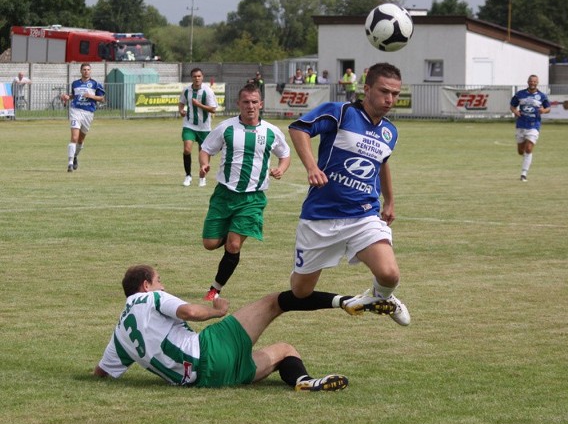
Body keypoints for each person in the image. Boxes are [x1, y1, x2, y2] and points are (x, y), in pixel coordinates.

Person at [93, 264, 360, 391]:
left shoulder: (120, 334)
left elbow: (101, 372)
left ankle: (305, 382)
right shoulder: (150, 297)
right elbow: (188, 311)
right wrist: (216, 312)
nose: (163, 286)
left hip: (204, 380)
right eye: (159, 281)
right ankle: (344, 300)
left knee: (285, 350)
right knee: (274, 302)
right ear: (146, 286)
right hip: (208, 350)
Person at [286, 62, 411, 327]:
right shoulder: (341, 113)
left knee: (389, 274)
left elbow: (382, 163)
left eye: (395, 94)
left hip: (362, 216)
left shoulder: (390, 131)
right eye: (384, 91)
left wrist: (389, 201)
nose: (390, 99)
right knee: (300, 291)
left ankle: (381, 299)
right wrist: (312, 167)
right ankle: (346, 299)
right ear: (366, 89)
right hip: (320, 217)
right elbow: (299, 129)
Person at [199, 83, 291, 300]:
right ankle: (235, 232)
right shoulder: (226, 128)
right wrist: (203, 164)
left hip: (253, 198)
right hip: (224, 194)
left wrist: (281, 168)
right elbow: (206, 148)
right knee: (210, 244)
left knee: (232, 244)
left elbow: (284, 154)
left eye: (254, 102)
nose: (250, 106)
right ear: (238, 104)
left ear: (261, 104)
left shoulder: (271, 131)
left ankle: (215, 289)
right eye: (246, 102)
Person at [61, 63, 106, 172]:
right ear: (81, 71)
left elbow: (102, 99)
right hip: (75, 111)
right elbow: (74, 96)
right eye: (84, 69)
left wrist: (91, 96)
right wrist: (67, 97)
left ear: (90, 71)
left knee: (80, 140)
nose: (86, 71)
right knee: (74, 138)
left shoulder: (95, 84)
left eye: (88, 69)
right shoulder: (75, 83)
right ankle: (70, 163)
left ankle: (75, 156)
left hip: (88, 113)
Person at [179, 67, 218, 187]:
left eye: (199, 76)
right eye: (194, 76)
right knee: (187, 149)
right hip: (189, 124)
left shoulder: (208, 91)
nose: (197, 78)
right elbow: (181, 102)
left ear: (202, 77)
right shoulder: (187, 90)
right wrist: (181, 110)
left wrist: (199, 105)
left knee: (203, 153)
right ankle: (188, 176)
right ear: (191, 78)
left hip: (204, 127)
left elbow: (213, 109)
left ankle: (202, 177)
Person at [509, 74, 551, 182]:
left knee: (528, 149)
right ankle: (527, 158)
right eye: (531, 81)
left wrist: (543, 111)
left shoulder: (542, 96)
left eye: (535, 81)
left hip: (534, 125)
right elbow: (512, 106)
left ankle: (524, 174)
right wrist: (515, 111)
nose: (533, 83)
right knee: (520, 151)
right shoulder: (520, 94)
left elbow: (548, 108)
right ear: (528, 82)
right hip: (521, 124)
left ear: (537, 83)